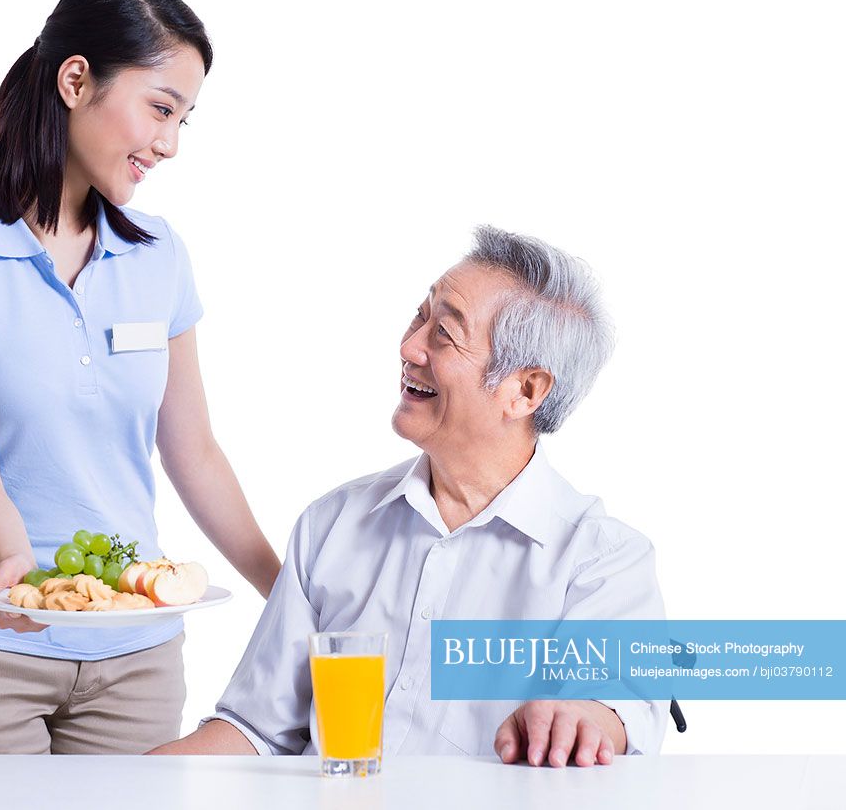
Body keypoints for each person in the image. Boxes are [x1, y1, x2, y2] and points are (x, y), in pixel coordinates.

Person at [0, 0, 281, 755]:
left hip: (136, 653)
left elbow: (192, 452)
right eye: (160, 108)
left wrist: (284, 589)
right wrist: (16, 569)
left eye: (185, 119)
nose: (170, 143)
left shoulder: (159, 257)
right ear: (74, 78)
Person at [151, 226, 669, 766]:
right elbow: (256, 731)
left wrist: (585, 718)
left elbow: (617, 710)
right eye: (419, 317)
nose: (408, 347)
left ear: (525, 391)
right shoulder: (332, 525)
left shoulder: (603, 562)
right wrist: (119, 785)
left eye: (443, 333)